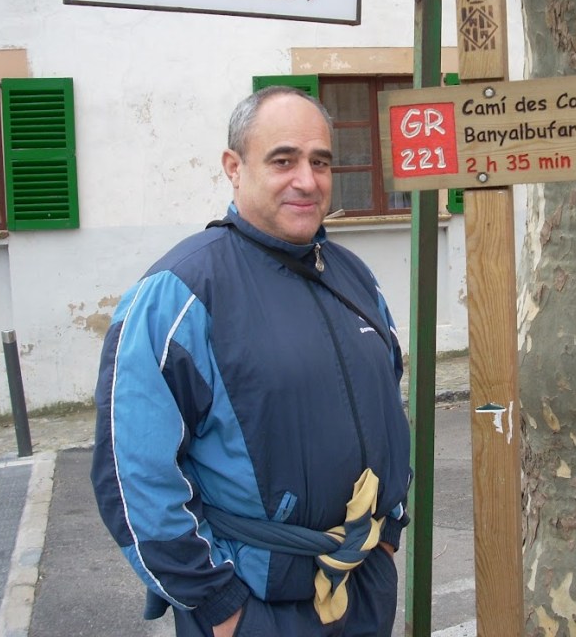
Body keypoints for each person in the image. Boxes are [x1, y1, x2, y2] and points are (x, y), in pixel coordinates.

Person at [91, 87, 412, 637]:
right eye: (283, 160)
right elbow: (134, 475)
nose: (307, 181)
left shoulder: (355, 275)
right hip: (256, 604)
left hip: (362, 586)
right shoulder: (179, 294)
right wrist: (220, 608)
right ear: (234, 168)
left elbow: (389, 398)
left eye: (321, 162)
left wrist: (388, 530)